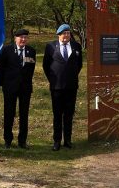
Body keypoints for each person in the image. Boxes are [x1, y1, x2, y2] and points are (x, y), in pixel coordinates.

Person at [43, 23, 83, 151]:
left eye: (68, 33)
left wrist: (70, 76)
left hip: (71, 86)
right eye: (64, 33)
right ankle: (57, 141)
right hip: (57, 87)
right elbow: (46, 65)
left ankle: (68, 140)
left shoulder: (76, 46)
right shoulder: (50, 47)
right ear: (59, 35)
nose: (66, 36)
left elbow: (79, 64)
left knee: (69, 114)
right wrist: (53, 80)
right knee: (57, 115)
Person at [0, 28, 37, 149]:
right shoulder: (6, 50)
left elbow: (31, 69)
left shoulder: (31, 51)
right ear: (16, 38)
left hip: (25, 88)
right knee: (9, 113)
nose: (23, 40)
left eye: (25, 37)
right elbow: (1, 68)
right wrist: (5, 84)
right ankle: (8, 140)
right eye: (21, 37)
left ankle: (22, 141)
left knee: (24, 115)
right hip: (10, 87)